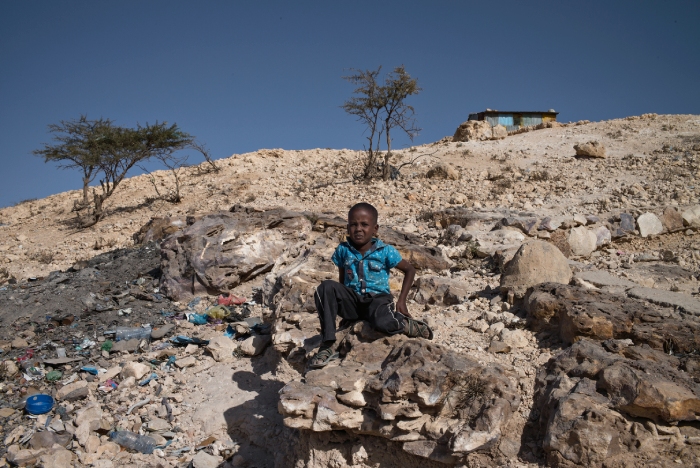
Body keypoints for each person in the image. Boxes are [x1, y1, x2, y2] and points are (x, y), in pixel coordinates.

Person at [309, 202, 433, 369]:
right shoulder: (343, 250)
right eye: (353, 224)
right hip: (354, 301)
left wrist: (402, 301)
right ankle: (327, 344)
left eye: (364, 225)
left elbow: (409, 270)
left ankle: (404, 324)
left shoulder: (385, 251)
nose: (358, 229)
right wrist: (343, 305)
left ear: (375, 229)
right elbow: (342, 278)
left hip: (377, 300)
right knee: (325, 287)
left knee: (383, 324)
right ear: (347, 227)